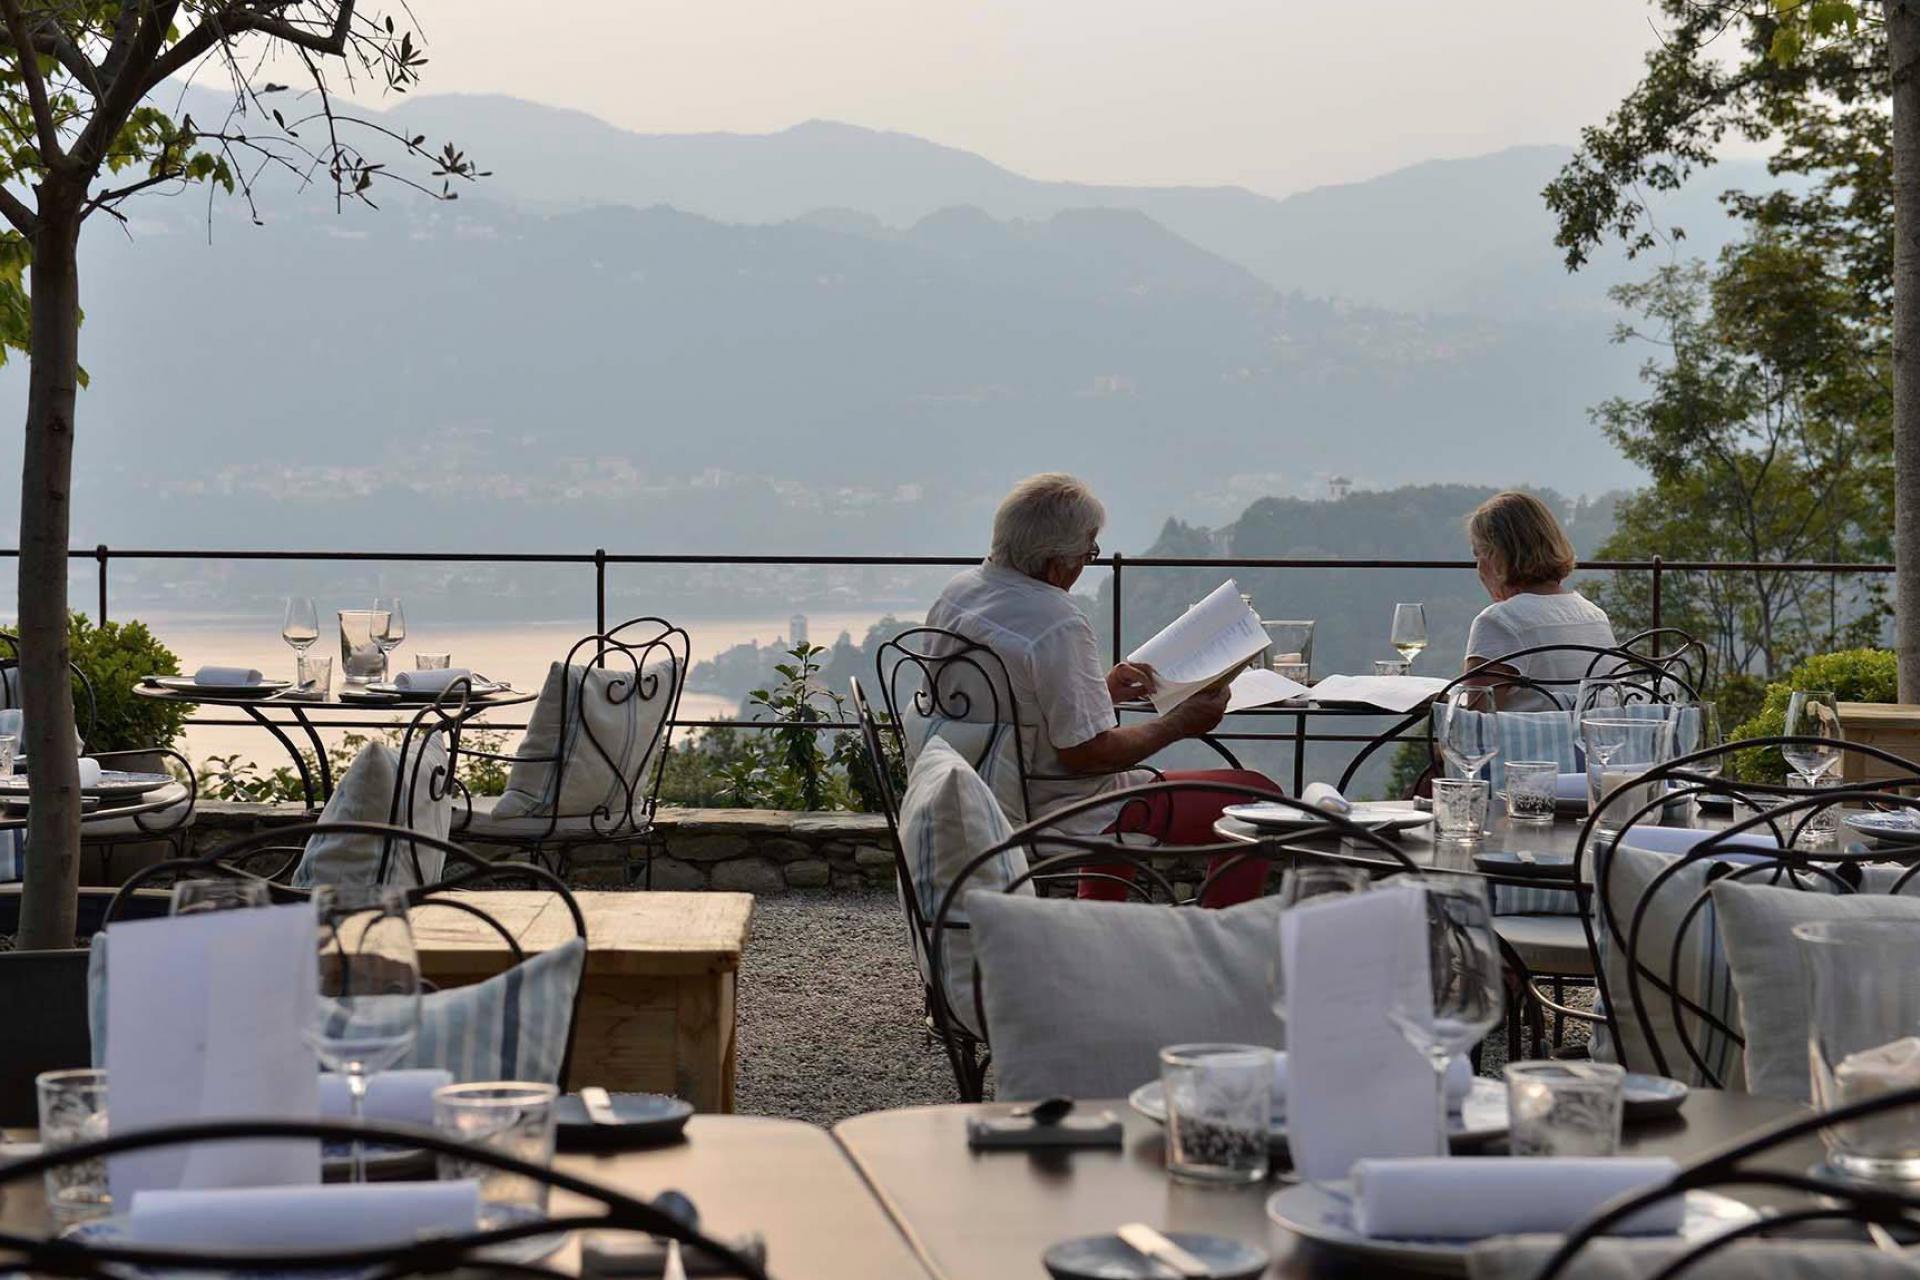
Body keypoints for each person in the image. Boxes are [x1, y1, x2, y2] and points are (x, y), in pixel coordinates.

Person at [923, 473, 1282, 905]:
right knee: (1260, 797)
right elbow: (1086, 755)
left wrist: (1100, 692)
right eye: (1088, 552)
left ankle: (1097, 919)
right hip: (1058, 809)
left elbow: (1015, 704)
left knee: (1122, 791)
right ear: (1058, 563)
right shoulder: (1055, 620)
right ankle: (1222, 934)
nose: (1085, 564)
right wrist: (1180, 723)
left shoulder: (957, 594)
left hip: (984, 787)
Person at [1463, 491, 1617, 710]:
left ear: (1495, 557)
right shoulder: (1595, 616)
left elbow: (1473, 727)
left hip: (1529, 745)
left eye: (1478, 555)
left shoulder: (1498, 622)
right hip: (1594, 743)